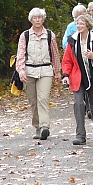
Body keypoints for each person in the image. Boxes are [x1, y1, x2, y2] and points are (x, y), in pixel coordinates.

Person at [62, 14, 93, 146]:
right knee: (78, 104)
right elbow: (67, 61)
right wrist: (66, 75)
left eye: (82, 24)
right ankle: (80, 135)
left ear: (88, 25)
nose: (79, 26)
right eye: (77, 24)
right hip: (78, 77)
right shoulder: (72, 41)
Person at [16, 8, 61, 140]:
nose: (37, 20)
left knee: (43, 98)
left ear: (43, 19)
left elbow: (55, 54)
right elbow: (20, 54)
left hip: (46, 70)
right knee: (33, 100)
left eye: (40, 17)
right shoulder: (25, 36)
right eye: (35, 18)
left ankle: (45, 126)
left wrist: (57, 71)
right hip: (29, 71)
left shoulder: (50, 35)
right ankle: (37, 126)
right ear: (31, 20)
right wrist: (21, 70)